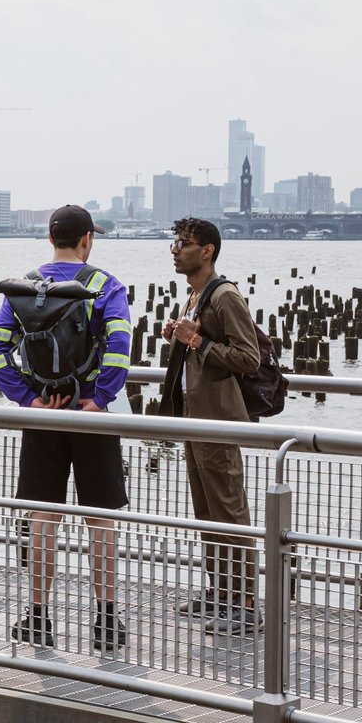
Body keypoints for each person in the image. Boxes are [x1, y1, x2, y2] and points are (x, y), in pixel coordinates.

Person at [0, 205, 133, 651]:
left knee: (42, 517)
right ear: (87, 239)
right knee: (101, 519)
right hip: (91, 416)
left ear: (51, 238)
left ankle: (38, 616)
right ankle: (106, 622)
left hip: (43, 415)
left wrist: (28, 398)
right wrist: (100, 398)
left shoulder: (25, 288)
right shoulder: (107, 285)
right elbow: (121, 348)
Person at [160, 217, 263, 635]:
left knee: (229, 509)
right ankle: (221, 591)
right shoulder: (194, 297)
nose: (175, 249)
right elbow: (193, 350)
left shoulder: (224, 296)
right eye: (174, 242)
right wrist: (177, 336)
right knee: (206, 509)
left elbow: (248, 358)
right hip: (193, 415)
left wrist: (198, 341)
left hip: (218, 419)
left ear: (208, 251)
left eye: (184, 243)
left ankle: (246, 603)